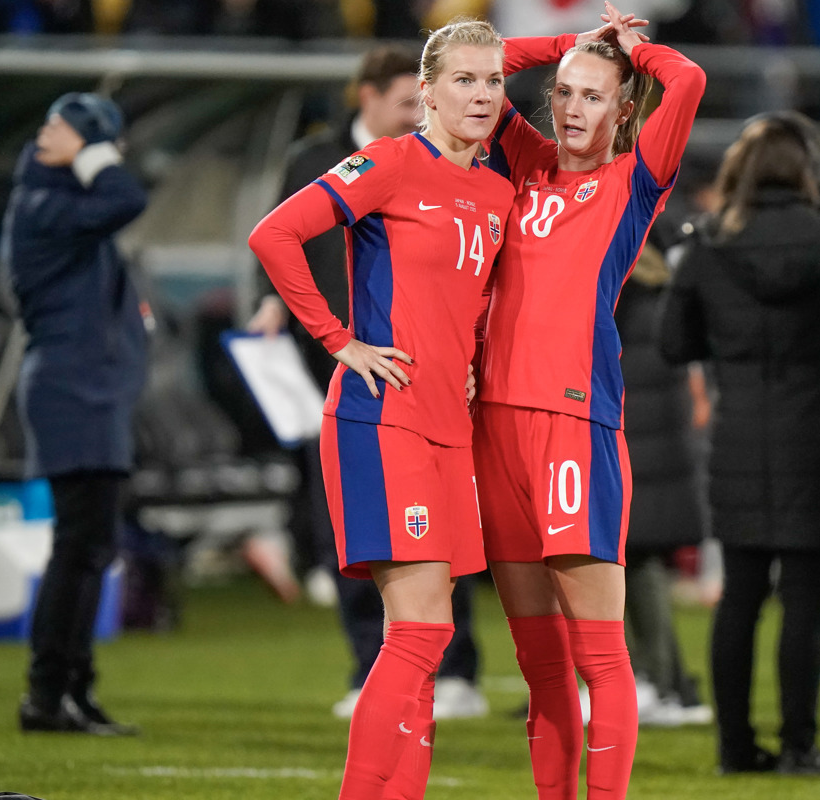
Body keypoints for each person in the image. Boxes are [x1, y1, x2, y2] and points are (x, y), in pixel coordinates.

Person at [247, 18, 514, 800]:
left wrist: (470, 367)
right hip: (382, 416)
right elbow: (276, 235)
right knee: (423, 629)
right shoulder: (391, 163)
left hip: (449, 429)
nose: (482, 94)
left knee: (425, 641)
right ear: (423, 92)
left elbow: (468, 305)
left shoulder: (497, 189)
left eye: (494, 80)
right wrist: (338, 339)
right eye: (463, 79)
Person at [472, 4, 705, 797]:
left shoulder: (633, 183)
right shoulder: (526, 164)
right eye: (565, 92)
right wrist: (570, 45)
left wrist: (636, 51)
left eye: (594, 96)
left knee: (602, 660)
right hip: (492, 433)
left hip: (573, 427)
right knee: (540, 667)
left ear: (625, 108)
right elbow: (485, 58)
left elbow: (692, 79)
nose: (572, 108)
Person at [658, 112, 820, 775]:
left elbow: (675, 343)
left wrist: (726, 344)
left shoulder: (708, 245)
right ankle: (798, 745)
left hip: (738, 438)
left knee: (741, 598)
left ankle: (735, 747)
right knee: (805, 601)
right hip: (813, 439)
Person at [6, 92, 147, 736]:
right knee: (79, 549)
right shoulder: (42, 204)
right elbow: (126, 197)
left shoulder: (59, 205)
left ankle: (73, 690)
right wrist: (92, 152)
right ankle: (46, 695)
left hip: (90, 391)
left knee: (90, 549)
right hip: (72, 392)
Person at [613, 233, 710, 727]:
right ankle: (668, 684)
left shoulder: (621, 291)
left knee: (625, 566)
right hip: (661, 452)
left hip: (630, 444)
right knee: (638, 565)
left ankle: (651, 683)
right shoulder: (664, 287)